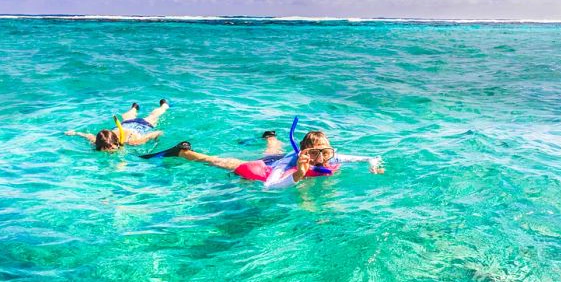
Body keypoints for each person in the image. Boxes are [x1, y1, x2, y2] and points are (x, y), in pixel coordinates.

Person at [141, 129, 384, 189]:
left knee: (271, 149)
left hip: (278, 157)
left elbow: (364, 157)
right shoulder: (291, 162)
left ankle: (270, 136)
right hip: (271, 166)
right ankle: (183, 152)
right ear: (304, 153)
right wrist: (299, 173)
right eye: (314, 153)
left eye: (326, 152)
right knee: (220, 162)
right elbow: (271, 184)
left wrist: (372, 164)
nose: (321, 158)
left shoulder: (329, 157)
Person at [66, 100, 168, 151]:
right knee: (127, 116)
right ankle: (134, 108)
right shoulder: (100, 142)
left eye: (110, 148)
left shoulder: (133, 142)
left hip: (141, 126)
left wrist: (156, 141)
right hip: (124, 125)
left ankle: (164, 105)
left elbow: (156, 133)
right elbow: (88, 135)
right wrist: (75, 133)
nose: (108, 151)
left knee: (153, 116)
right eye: (104, 148)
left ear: (116, 143)